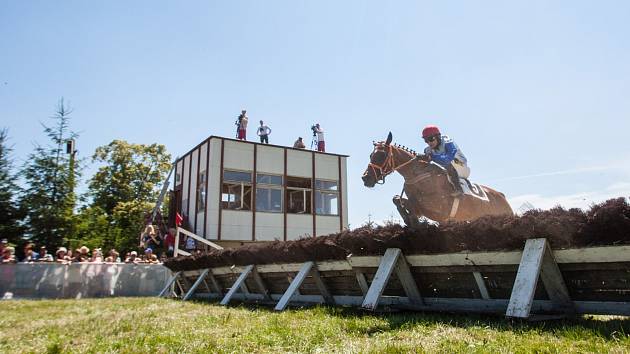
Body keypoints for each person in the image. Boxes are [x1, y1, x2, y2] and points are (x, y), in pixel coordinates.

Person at [420, 125, 469, 196]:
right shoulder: (428, 150)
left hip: (461, 166)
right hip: (447, 169)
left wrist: (432, 157)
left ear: (438, 137)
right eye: (426, 140)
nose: (429, 143)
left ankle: (459, 189)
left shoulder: (447, 142)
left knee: (448, 163)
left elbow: (448, 158)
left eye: (431, 139)